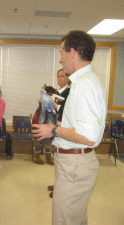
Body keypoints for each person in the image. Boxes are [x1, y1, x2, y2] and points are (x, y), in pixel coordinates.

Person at [32, 30, 107, 225]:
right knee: (75, 219)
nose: (60, 59)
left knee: (65, 220)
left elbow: (89, 136)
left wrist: (54, 130)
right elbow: (78, 125)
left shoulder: (84, 84)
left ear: (72, 52)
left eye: (61, 53)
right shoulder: (83, 82)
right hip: (74, 162)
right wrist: (54, 124)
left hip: (75, 164)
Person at [48, 69, 71, 197]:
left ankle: (60, 189)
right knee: (57, 159)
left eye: (62, 76)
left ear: (68, 78)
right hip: (55, 126)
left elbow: (66, 110)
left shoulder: (70, 92)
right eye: (58, 76)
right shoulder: (57, 92)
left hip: (63, 128)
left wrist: (55, 106)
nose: (59, 79)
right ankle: (57, 184)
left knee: (62, 162)